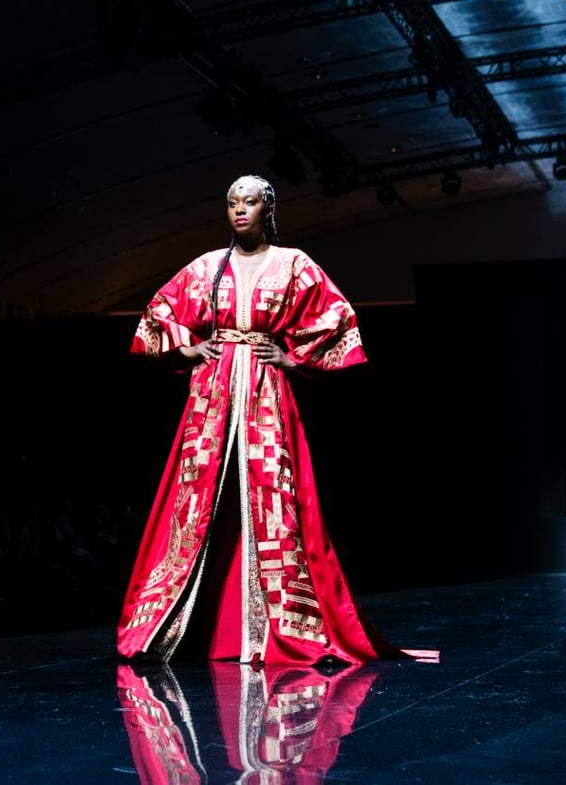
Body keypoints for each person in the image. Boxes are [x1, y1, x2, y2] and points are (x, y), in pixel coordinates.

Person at [116, 174, 426, 667]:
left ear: (268, 207)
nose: (240, 210)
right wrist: (190, 348)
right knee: (196, 500)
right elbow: (158, 313)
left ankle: (284, 625)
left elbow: (337, 317)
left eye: (250, 201)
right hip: (212, 394)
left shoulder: (293, 265)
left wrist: (291, 357)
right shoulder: (205, 268)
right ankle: (176, 626)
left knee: (274, 495)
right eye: (232, 202)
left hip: (264, 392)